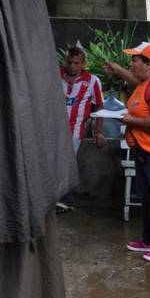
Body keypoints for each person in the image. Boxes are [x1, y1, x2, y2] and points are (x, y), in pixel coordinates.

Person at [104, 42, 150, 262]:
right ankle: (149, 240)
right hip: (144, 151)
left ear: (148, 64)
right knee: (147, 198)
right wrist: (118, 69)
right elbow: (133, 79)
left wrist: (130, 120)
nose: (132, 64)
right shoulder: (145, 83)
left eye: (135, 60)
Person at [59, 46, 105, 210]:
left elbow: (99, 107)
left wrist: (98, 131)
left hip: (75, 129)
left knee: (67, 161)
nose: (72, 66)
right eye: (69, 62)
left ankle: (66, 198)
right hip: (54, 129)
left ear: (83, 64)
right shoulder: (55, 75)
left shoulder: (92, 81)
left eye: (76, 63)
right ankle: (61, 198)